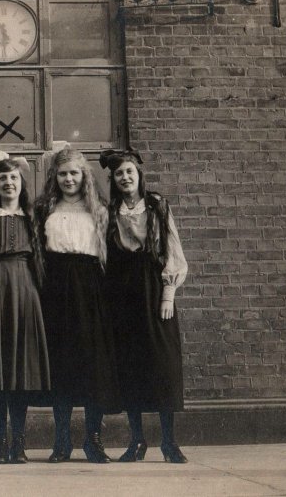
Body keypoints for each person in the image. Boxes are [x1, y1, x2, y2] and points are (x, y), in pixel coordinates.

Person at [100, 149, 189, 464]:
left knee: (162, 363)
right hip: (122, 294)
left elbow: (172, 249)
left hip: (153, 289)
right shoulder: (110, 211)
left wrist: (168, 293)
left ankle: (169, 441)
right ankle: (137, 440)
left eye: (129, 172)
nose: (125, 178)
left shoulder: (156, 205)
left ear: (138, 175)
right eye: (119, 174)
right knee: (130, 364)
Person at [33, 145, 121, 464]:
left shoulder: (98, 209)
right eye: (62, 173)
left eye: (74, 173)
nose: (68, 179)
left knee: (92, 365)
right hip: (55, 288)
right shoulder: (45, 208)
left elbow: (111, 256)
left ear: (84, 175)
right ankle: (62, 441)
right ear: (54, 177)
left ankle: (93, 440)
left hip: (90, 287)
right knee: (62, 364)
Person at [0, 151, 50, 464]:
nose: (8, 182)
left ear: (22, 183)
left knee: (20, 369)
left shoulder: (33, 219)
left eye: (13, 177)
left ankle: (19, 442)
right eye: (2, 178)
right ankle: (0, 443)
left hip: (26, 292)